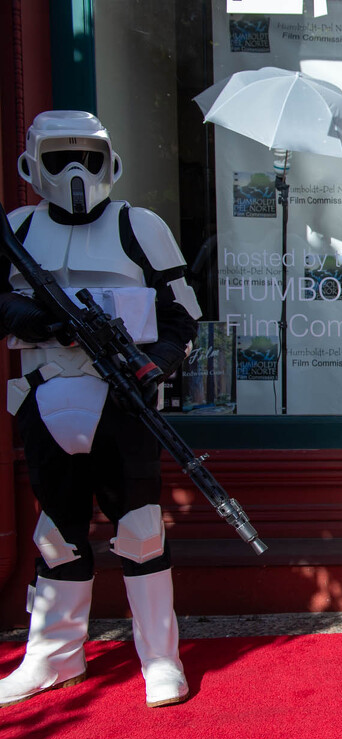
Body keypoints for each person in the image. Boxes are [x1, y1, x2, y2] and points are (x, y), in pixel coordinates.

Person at [0, 111, 202, 708]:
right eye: (59, 157)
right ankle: (54, 656)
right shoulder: (16, 228)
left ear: (109, 161)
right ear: (33, 163)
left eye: (86, 157)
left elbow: (182, 315)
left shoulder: (138, 227)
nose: (74, 171)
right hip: (44, 396)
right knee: (56, 535)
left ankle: (160, 657)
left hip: (122, 403)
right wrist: (42, 321)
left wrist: (153, 366)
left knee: (140, 532)